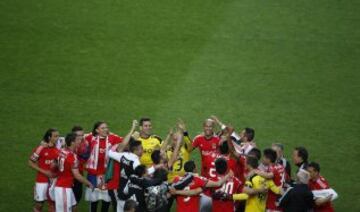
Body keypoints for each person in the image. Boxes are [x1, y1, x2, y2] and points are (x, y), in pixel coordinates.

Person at [85, 121, 122, 212]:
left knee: (106, 201)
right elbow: (76, 138)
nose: (106, 129)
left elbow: (124, 141)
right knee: (93, 201)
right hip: (93, 175)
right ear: (97, 130)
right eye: (103, 128)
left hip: (107, 175)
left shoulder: (113, 138)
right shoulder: (90, 137)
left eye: (106, 127)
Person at [54, 132, 93, 212]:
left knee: (74, 208)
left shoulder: (61, 151)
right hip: (64, 188)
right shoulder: (72, 156)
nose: (80, 142)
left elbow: (53, 165)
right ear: (72, 142)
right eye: (78, 140)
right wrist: (88, 183)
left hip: (62, 185)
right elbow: (77, 175)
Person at [29, 128, 60, 212]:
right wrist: (45, 172)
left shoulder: (58, 149)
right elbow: (31, 162)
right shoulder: (40, 148)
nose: (57, 138)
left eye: (58, 136)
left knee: (53, 204)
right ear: (49, 137)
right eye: (55, 136)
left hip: (54, 181)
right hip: (41, 180)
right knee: (39, 204)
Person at [71, 125, 88, 206]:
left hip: (79, 174)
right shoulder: (64, 143)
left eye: (82, 135)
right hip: (68, 175)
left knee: (77, 198)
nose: (81, 137)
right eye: (78, 135)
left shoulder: (85, 144)